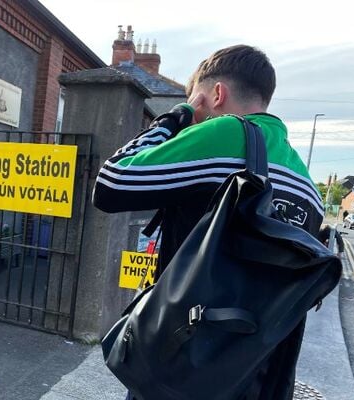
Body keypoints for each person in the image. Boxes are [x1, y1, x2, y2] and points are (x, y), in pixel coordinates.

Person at [93, 45, 324, 399]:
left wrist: (176, 117)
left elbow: (111, 184)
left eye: (198, 102)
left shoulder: (223, 134)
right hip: (252, 372)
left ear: (216, 94)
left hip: (182, 359)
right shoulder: (307, 182)